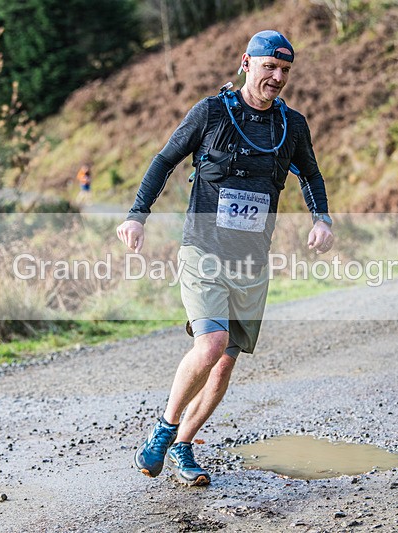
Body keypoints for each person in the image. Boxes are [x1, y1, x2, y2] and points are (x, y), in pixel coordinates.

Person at [116, 30, 333, 486]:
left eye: (285, 70)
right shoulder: (211, 113)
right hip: (204, 250)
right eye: (269, 66)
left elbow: (310, 173)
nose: (276, 77)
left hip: (251, 263)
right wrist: (138, 215)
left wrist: (322, 219)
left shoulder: (291, 126)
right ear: (246, 63)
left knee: (226, 361)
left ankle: (183, 446)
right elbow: (164, 160)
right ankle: (165, 428)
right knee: (210, 344)